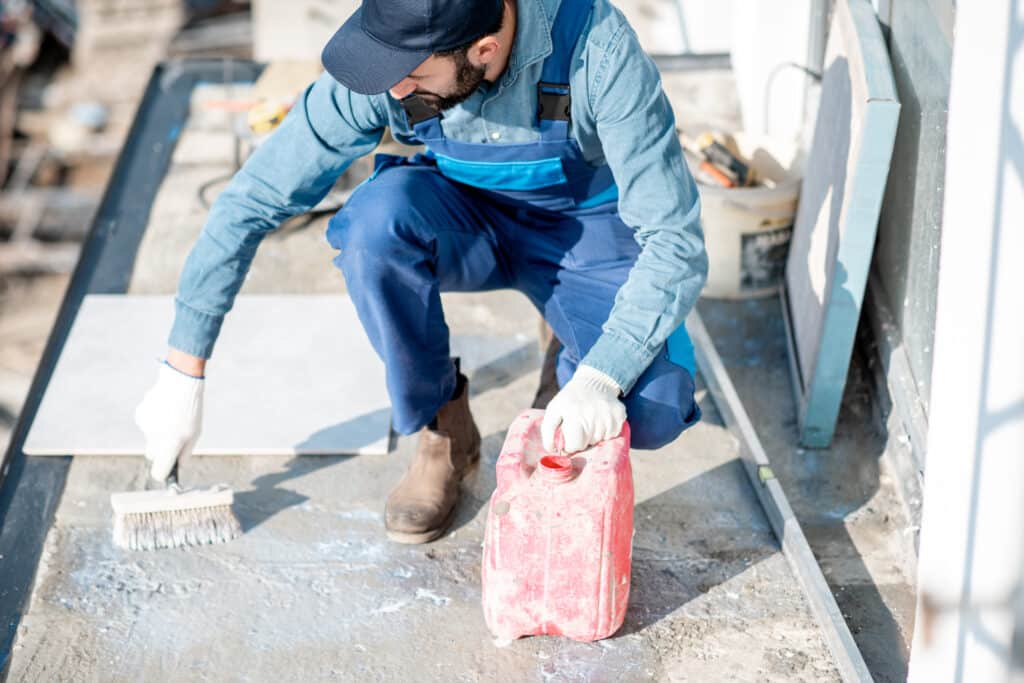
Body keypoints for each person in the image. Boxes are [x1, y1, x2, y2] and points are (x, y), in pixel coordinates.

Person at [133, 0, 707, 544]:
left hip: (586, 228)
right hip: (464, 216)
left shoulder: (598, 50)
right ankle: (443, 431)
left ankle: (570, 345)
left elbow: (675, 240)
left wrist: (602, 376)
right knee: (371, 230)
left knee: (652, 409)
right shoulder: (394, 58)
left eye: (411, 75)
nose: (391, 88)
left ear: (484, 49)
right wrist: (183, 370)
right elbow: (252, 200)